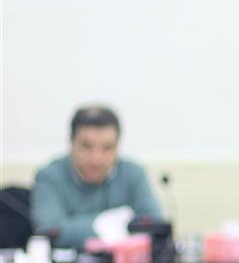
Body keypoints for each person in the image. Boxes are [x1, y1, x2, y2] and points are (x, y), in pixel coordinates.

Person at [31, 105, 164, 248]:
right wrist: (110, 224)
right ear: (71, 144)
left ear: (117, 147)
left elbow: (156, 225)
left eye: (107, 148)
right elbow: (50, 231)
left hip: (124, 262)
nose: (96, 159)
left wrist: (74, 227)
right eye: (86, 146)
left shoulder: (134, 173)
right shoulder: (49, 176)